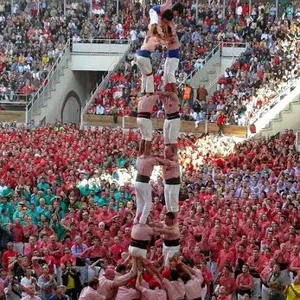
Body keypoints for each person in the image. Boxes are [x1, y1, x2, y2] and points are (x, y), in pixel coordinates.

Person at [134, 148, 165, 225]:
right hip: (144, 182)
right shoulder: (150, 160)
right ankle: (142, 220)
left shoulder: (139, 158)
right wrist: (157, 157)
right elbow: (162, 162)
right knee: (148, 203)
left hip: (137, 182)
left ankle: (136, 219)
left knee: (140, 203)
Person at [158, 88, 180, 152]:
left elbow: (168, 93)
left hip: (174, 118)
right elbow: (158, 95)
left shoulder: (174, 96)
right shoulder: (164, 98)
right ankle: (168, 153)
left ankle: (175, 153)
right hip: (167, 118)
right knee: (166, 140)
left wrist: (161, 92)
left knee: (172, 139)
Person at [163, 146, 180, 214]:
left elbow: (168, 163)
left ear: (172, 152)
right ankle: (170, 220)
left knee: (173, 204)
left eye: (167, 151)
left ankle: (174, 220)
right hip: (167, 183)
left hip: (174, 183)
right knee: (168, 204)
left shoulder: (175, 159)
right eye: (165, 151)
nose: (165, 153)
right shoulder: (164, 159)